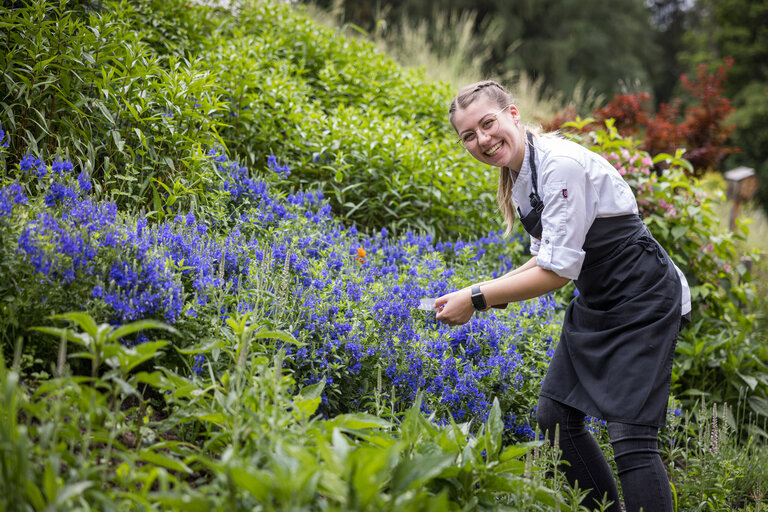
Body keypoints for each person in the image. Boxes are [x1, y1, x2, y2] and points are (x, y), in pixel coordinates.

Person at [434, 80, 691, 512]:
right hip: (599, 298)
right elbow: (546, 259)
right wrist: (479, 296)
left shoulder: (561, 165)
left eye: (487, 123)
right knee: (556, 419)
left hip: (642, 296)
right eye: (469, 135)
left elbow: (556, 273)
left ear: (513, 114)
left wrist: (476, 297)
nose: (482, 139)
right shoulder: (523, 175)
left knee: (631, 436)